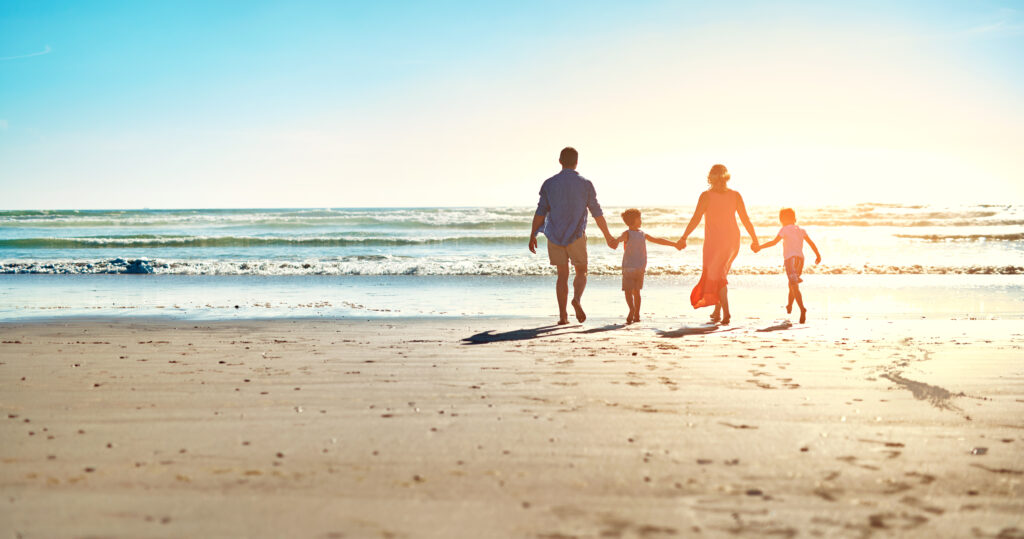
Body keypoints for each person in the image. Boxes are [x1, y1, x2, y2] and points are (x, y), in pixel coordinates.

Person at [529, 147, 616, 324]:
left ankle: (563, 316)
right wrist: (608, 236)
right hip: (576, 235)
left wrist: (532, 235)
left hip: (554, 234)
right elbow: (596, 212)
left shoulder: (549, 184)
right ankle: (576, 299)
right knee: (581, 271)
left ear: (560, 161)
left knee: (562, 275)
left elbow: (540, 212)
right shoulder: (585, 184)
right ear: (577, 162)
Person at [676, 164, 759, 325]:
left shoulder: (706, 196)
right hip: (731, 240)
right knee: (720, 275)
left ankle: (726, 313)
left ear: (710, 177)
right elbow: (745, 219)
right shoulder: (735, 195)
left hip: (716, 242)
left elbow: (696, 218)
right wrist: (755, 240)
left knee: (718, 275)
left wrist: (684, 237)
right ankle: (717, 310)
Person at [753, 208, 822, 323]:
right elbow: (811, 243)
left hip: (790, 260)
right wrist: (818, 255)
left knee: (794, 285)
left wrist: (760, 247)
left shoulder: (784, 229)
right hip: (800, 260)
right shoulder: (801, 230)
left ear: (782, 220)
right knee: (792, 284)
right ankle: (789, 305)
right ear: (794, 219)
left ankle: (802, 309)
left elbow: (774, 242)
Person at [612, 209, 679, 324]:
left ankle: (632, 309)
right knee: (636, 292)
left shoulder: (627, 234)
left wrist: (614, 241)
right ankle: (637, 314)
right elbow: (658, 240)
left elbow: (618, 240)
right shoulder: (642, 234)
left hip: (628, 267)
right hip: (640, 268)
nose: (641, 220)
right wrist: (674, 244)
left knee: (628, 291)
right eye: (639, 218)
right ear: (633, 220)